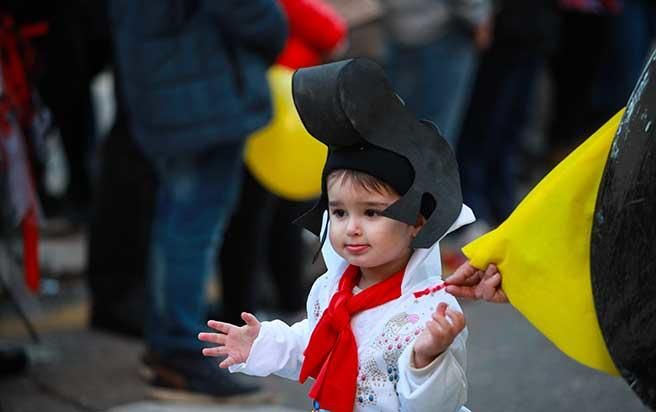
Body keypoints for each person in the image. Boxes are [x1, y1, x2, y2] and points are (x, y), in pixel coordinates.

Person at [199, 58, 475, 412]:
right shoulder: (330, 289)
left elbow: (439, 405)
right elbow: (314, 342)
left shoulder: (428, 311)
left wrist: (427, 361)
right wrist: (262, 342)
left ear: (418, 221)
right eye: (340, 212)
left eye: (372, 212)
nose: (351, 227)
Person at [109, 0, 287, 401]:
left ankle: (167, 345)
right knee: (192, 227)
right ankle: (180, 351)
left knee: (176, 219)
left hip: (163, 79)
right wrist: (275, 28)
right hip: (201, 83)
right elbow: (251, 14)